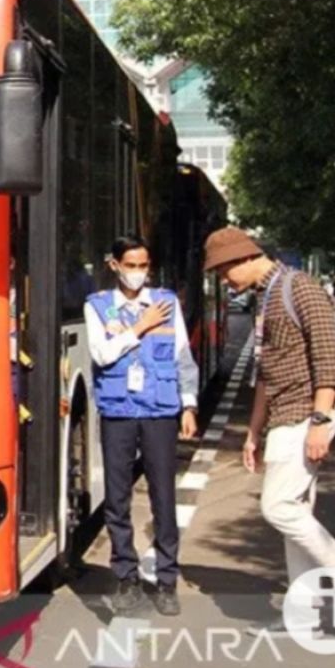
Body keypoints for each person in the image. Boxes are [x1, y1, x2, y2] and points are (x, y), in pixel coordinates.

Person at [204, 227, 335, 640]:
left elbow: (326, 358)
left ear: (243, 258)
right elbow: (266, 372)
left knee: (279, 507)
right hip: (284, 416)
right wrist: (253, 433)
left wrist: (320, 422)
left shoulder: (301, 288)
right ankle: (303, 614)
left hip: (307, 413)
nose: (223, 281)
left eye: (223, 271)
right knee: (295, 515)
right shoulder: (267, 296)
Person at [84, 235, 198, 617]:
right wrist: (139, 328)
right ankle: (126, 576)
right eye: (130, 265)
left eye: (143, 265)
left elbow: (183, 356)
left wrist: (189, 404)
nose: (138, 273)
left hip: (160, 411)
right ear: (114, 264)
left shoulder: (166, 303)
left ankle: (167, 580)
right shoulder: (97, 307)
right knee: (117, 499)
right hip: (118, 411)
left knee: (163, 497)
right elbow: (101, 353)